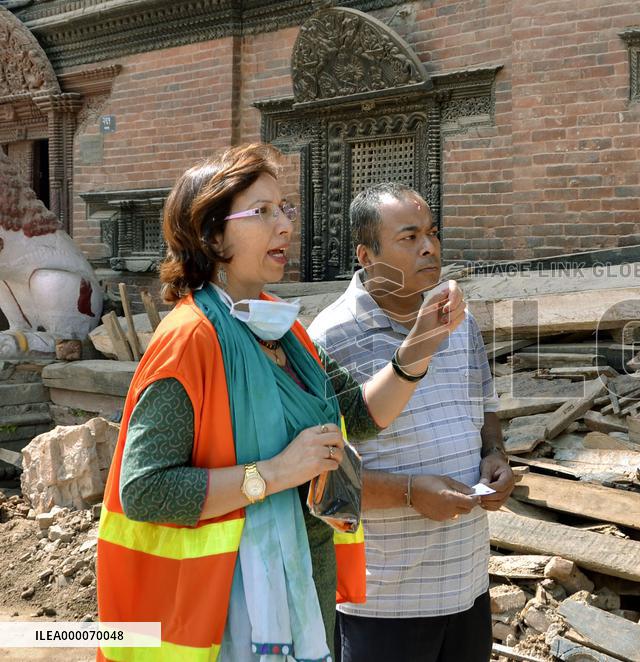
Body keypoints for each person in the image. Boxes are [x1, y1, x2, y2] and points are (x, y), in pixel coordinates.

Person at [95, 145, 466, 662]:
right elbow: (144, 490)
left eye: (285, 209)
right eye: (262, 212)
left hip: (302, 591)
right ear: (213, 234)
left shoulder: (281, 327)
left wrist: (420, 344)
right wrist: (272, 473)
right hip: (224, 612)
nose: (285, 226)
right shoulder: (190, 340)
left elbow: (358, 417)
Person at [308, 182, 515, 662]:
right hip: (383, 601)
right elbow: (318, 484)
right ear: (366, 255)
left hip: (467, 584)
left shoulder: (454, 319)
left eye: (432, 233)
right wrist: (408, 493)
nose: (429, 248)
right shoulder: (329, 339)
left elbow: (483, 401)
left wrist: (495, 455)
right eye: (409, 237)